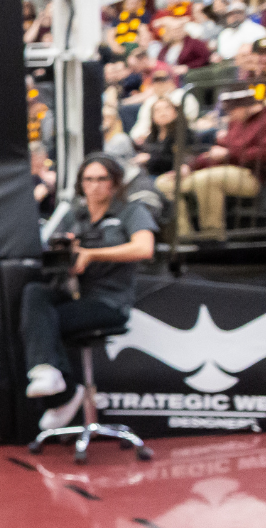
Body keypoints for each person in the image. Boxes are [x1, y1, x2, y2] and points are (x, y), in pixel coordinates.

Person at [21, 155, 157, 430]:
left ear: (114, 183)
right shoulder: (73, 216)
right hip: (73, 293)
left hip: (108, 302)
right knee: (35, 294)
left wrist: (92, 255)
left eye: (101, 179)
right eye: (88, 180)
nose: (94, 186)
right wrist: (65, 255)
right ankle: (50, 376)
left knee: (46, 321)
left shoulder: (130, 211)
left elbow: (144, 248)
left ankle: (66, 393)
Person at [155, 89, 265, 241]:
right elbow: (217, 152)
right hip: (224, 169)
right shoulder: (236, 121)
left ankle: (212, 236)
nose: (228, 114)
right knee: (165, 183)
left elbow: (260, 154)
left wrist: (229, 154)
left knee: (205, 179)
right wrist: (190, 167)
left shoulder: (263, 121)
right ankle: (184, 236)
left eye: (230, 109)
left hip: (252, 175)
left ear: (243, 106)